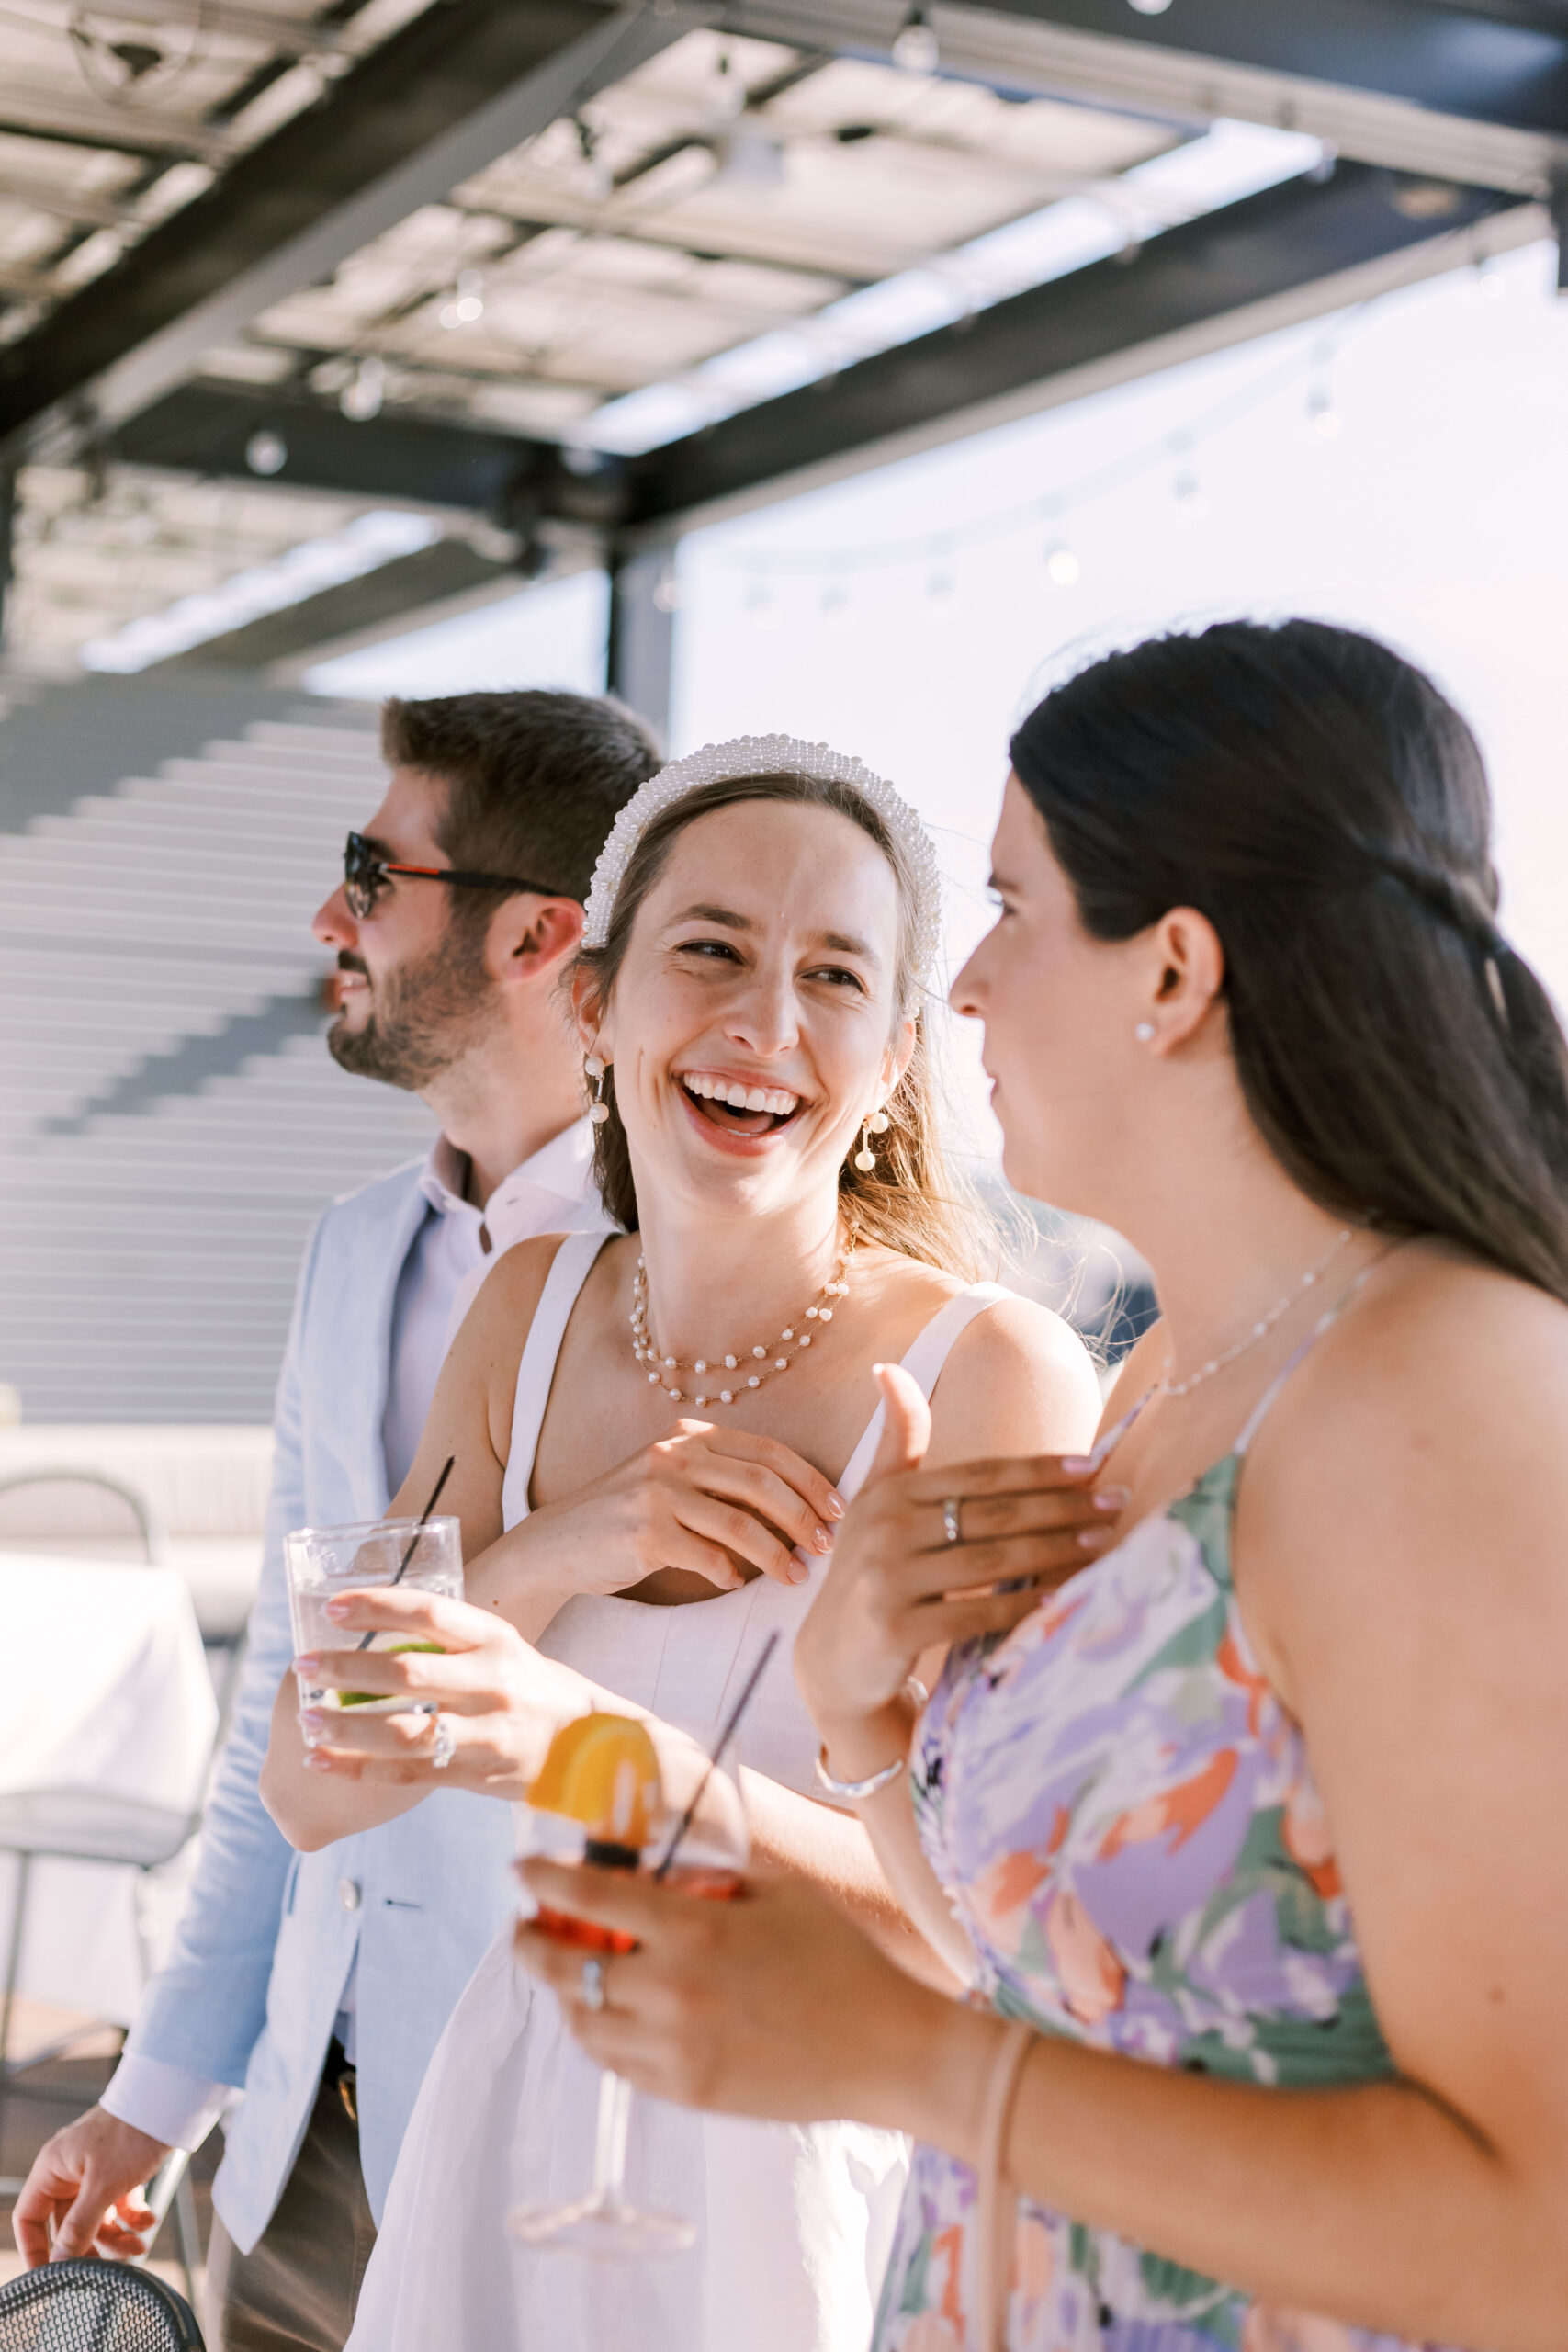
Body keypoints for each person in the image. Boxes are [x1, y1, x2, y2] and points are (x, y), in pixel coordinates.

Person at [517, 623, 1568, 2352]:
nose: (972, 990)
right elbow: (1055, 1989)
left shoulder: (1445, 1400)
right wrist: (858, 1720)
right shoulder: (1174, 1374)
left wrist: (902, 2058)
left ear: (1171, 970)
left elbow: (1539, 2234)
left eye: (1010, 907)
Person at [258, 735, 1103, 2352]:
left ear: (894, 1055)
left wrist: (592, 1746)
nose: (765, 1027)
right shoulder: (529, 1308)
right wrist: (551, 1553)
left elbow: (995, 1938)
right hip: (514, 2114)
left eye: (835, 977)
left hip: (810, 2185)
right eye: (710, 948)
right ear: (594, 999)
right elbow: (317, 1784)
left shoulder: (989, 1378)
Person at [14, 690, 660, 2352]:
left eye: (372, 869)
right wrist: (162, 2093)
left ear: (540, 936)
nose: (328, 916)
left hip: (573, 2172)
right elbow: (273, 1734)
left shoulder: (712, 1284)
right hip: (297, 2155)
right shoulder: (349, 1253)